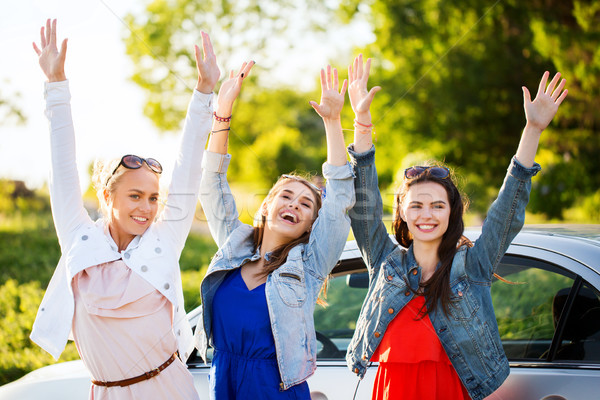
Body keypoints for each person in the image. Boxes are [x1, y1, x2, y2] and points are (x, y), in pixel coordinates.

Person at [345, 55, 568, 400]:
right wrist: (361, 122)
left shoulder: (472, 268)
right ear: (402, 212)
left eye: (437, 205)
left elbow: (506, 212)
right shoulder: (385, 262)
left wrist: (533, 130)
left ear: (452, 212)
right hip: (392, 390)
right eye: (416, 205)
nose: (427, 215)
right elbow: (364, 206)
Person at [30, 19, 220, 399]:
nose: (147, 208)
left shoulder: (164, 239)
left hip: (169, 389)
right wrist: (56, 86)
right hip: (107, 392)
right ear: (106, 196)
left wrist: (204, 91)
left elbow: (187, 168)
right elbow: (62, 168)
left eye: (153, 198)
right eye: (135, 196)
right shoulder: (79, 238)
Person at [195, 64, 356, 399]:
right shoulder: (234, 244)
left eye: (306, 204)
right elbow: (211, 184)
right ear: (266, 206)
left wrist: (332, 122)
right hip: (224, 384)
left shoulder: (309, 265)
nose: (294, 205)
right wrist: (222, 115)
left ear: (312, 224)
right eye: (286, 196)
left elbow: (340, 197)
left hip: (277, 389)